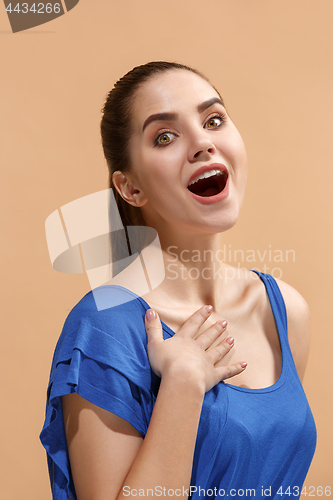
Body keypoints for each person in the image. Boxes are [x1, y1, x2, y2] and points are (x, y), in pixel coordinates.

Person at [40, 61, 316, 500]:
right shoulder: (106, 327)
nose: (203, 143)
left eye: (213, 120)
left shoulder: (283, 309)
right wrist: (183, 384)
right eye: (164, 136)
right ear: (130, 189)